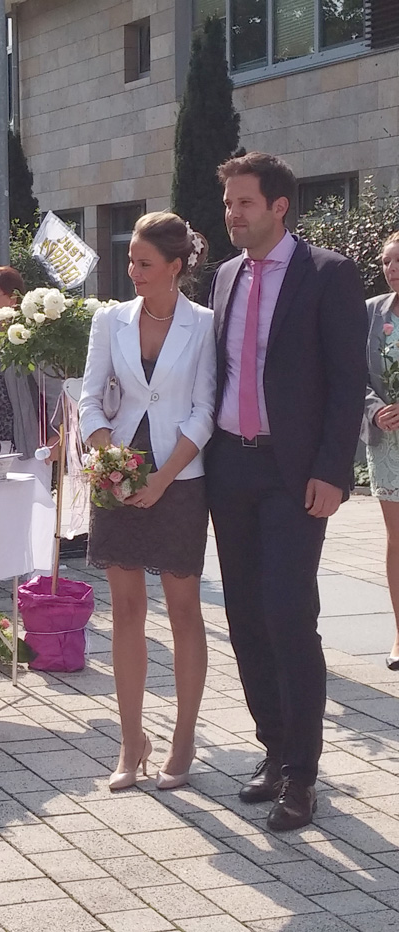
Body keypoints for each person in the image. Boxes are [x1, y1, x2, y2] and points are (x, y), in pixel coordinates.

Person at [205, 153, 367, 831]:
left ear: (279, 206)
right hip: (230, 469)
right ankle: (273, 750)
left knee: (287, 615)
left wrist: (333, 470)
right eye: (227, 204)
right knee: (243, 617)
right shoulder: (224, 277)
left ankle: (303, 773)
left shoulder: (328, 275)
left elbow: (346, 380)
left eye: (244, 202)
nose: (232, 214)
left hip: (294, 474)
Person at [79, 212, 215, 792]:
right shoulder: (110, 320)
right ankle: (131, 741)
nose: (131, 272)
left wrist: (161, 480)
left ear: (176, 267)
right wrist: (110, 462)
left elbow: (205, 410)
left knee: (184, 610)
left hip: (180, 478)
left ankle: (183, 737)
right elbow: (88, 401)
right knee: (127, 610)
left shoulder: (206, 324)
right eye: (130, 261)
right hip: (118, 475)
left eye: (143, 263)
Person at [0, 266, 60, 487]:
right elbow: (5, 380)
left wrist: (56, 435)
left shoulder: (30, 336)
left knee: (33, 505)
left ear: (13, 299)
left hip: (29, 442)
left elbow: (54, 388)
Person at [363, 231, 399, 669]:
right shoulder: (371, 313)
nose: (393, 270)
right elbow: (353, 374)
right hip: (388, 442)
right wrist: (374, 411)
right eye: (388, 262)